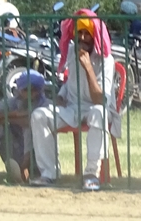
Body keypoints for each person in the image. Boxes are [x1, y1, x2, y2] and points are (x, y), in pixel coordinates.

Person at [29, 10, 117, 191]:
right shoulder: (71, 51)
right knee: (39, 115)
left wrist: (88, 68)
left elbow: (100, 99)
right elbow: (71, 80)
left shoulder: (106, 59)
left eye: (87, 34)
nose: (82, 38)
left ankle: (91, 174)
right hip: (72, 107)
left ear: (95, 36)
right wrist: (61, 96)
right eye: (79, 33)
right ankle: (49, 173)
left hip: (97, 107)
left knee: (98, 113)